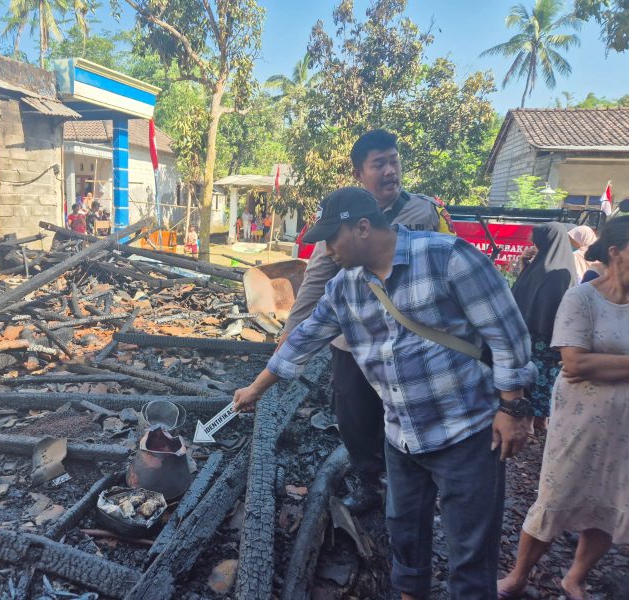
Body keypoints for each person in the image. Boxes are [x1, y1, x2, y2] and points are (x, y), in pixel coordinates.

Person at [235, 187, 536, 599]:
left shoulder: (449, 258)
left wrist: (512, 407)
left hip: (466, 431)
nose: (325, 249)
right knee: (405, 537)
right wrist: (255, 389)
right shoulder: (345, 287)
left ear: (362, 228)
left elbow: (509, 336)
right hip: (402, 435)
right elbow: (303, 339)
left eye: (331, 237)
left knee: (469, 551)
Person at [282, 128, 456, 515]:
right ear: (360, 173)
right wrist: (290, 334)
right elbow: (315, 278)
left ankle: (411, 485)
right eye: (379, 164)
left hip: (412, 341)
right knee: (354, 415)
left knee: (412, 411)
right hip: (354, 342)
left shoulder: (425, 211)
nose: (390, 170)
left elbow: (448, 268)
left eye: (394, 160)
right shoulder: (338, 215)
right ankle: (367, 482)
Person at [498, 216, 629, 600]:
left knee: (613, 500)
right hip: (579, 421)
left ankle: (575, 577)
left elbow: (589, 362)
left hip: (625, 427)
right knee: (555, 496)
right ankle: (518, 576)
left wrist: (603, 363)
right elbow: (574, 363)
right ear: (615, 252)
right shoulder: (582, 297)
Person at [511, 222, 578, 429]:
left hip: (548, 339)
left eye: (537, 242)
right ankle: (535, 422)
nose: (534, 245)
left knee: (541, 381)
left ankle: (537, 422)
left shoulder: (557, 272)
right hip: (542, 338)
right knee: (536, 381)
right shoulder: (542, 266)